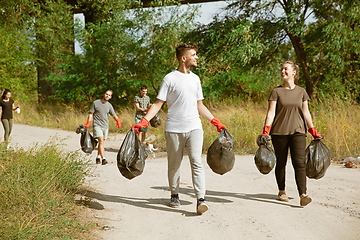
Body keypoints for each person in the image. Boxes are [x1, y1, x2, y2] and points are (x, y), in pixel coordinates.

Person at [131, 43, 227, 215]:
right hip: (174, 128)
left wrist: (215, 120)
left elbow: (200, 105)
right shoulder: (169, 79)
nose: (196, 57)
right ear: (184, 58)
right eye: (194, 54)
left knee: (196, 161)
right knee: (174, 164)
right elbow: (158, 103)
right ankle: (174, 193)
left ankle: (201, 199)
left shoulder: (196, 79)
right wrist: (145, 120)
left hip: (194, 127)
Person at [261, 60, 323, 207]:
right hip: (279, 132)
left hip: (298, 131)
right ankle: (282, 191)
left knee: (299, 163)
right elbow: (271, 112)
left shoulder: (301, 92)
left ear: (294, 72)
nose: (283, 71)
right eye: (281, 69)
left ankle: (303, 194)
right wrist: (266, 131)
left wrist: (312, 130)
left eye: (286, 69)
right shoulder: (276, 91)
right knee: (281, 162)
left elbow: (306, 113)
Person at [84, 89, 121, 165]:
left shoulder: (109, 105)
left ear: (111, 97)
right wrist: (88, 123)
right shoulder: (95, 103)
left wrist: (118, 120)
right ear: (104, 94)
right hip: (97, 125)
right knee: (101, 141)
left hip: (105, 126)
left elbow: (113, 114)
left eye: (109, 95)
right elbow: (91, 114)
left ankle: (98, 157)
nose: (108, 96)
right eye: (107, 94)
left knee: (101, 143)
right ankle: (103, 159)